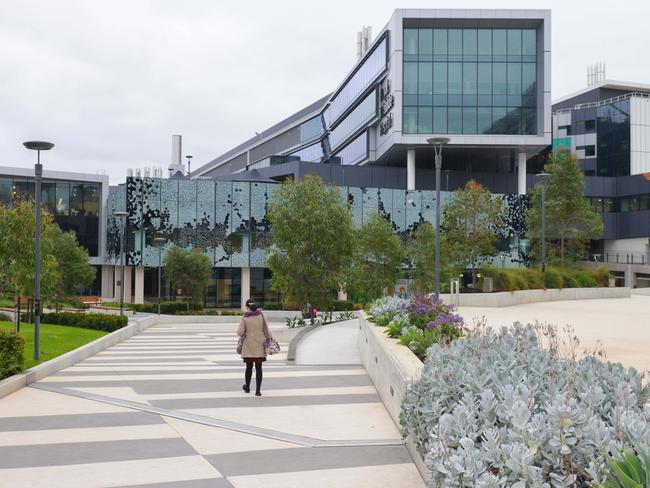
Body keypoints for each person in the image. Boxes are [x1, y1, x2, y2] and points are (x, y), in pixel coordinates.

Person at [237, 299, 271, 396]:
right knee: (259, 367)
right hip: (260, 344)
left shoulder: (245, 317)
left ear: (247, 307)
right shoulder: (261, 315)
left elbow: (240, 332)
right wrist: (269, 339)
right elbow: (266, 329)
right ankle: (258, 391)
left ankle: (247, 387)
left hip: (249, 344)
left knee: (249, 367)